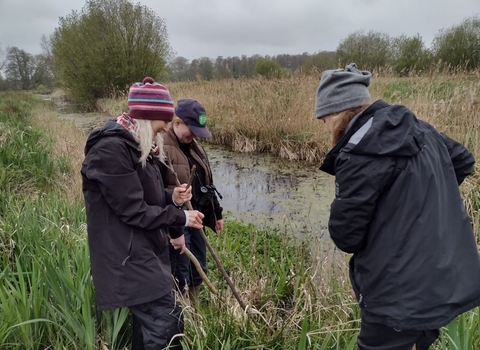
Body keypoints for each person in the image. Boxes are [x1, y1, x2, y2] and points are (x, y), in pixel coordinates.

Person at [315, 63, 480, 350]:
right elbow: (463, 161)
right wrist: (419, 203)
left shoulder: (359, 152)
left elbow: (346, 236)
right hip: (438, 280)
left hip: (396, 295)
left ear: (338, 112)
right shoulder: (419, 128)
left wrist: (405, 209)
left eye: (324, 118)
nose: (324, 126)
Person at [81, 77, 205, 349]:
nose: (163, 132)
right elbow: (134, 210)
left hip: (141, 251)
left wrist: (171, 196)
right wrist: (181, 218)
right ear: (147, 119)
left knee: (154, 326)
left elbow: (142, 195)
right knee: (167, 322)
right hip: (126, 256)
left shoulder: (136, 145)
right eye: (161, 126)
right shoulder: (111, 150)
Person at [163, 98, 224, 302]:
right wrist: (174, 202)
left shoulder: (194, 146)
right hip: (177, 220)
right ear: (178, 122)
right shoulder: (161, 146)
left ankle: (195, 306)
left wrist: (216, 213)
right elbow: (154, 190)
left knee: (199, 265)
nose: (195, 136)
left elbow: (207, 182)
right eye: (192, 129)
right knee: (180, 269)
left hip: (197, 217)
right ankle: (181, 311)